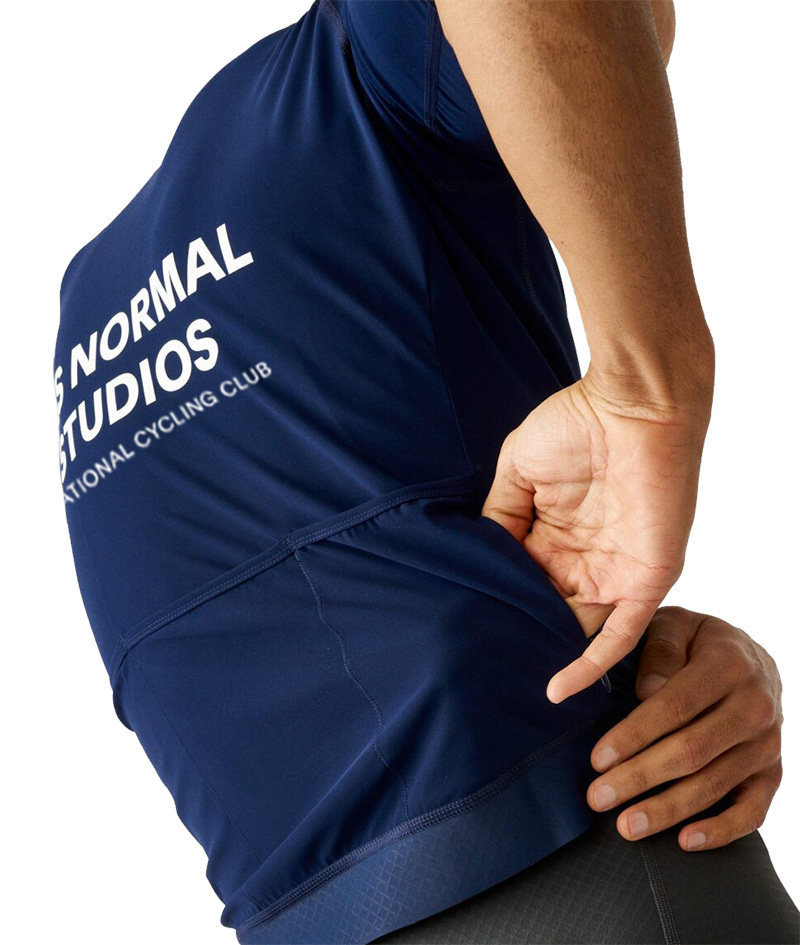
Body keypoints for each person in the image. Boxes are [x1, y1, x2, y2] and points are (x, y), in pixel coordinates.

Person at [52, 1, 797, 943]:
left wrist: (655, 656)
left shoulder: (87, 300)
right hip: (576, 880)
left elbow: (348, 577)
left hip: (547, 858)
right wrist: (652, 383)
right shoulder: (354, 71)